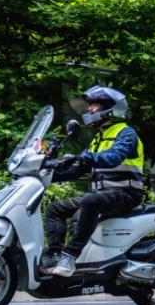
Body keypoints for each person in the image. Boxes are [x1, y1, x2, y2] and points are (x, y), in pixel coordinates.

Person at [43, 86, 145, 277]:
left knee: (90, 200)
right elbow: (79, 169)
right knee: (55, 209)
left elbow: (113, 157)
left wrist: (83, 157)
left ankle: (70, 257)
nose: (89, 109)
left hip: (126, 194)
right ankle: (54, 255)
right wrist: (48, 173)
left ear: (109, 108)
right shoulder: (99, 138)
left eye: (94, 105)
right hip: (103, 195)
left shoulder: (126, 133)